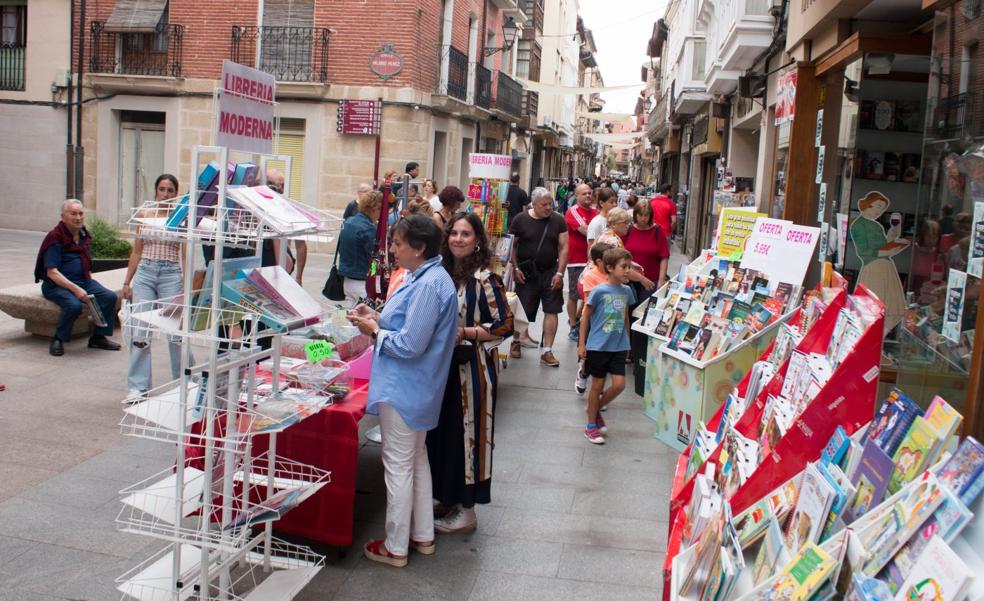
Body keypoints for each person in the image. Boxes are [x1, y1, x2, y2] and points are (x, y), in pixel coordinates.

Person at [348, 215, 458, 567]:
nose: (392, 249)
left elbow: (410, 344)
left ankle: (396, 545)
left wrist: (374, 330)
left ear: (419, 248)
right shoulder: (425, 278)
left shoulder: (429, 284)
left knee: (398, 465)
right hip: (416, 388)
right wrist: (377, 318)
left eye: (398, 244)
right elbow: (408, 325)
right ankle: (422, 534)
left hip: (407, 387)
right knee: (415, 461)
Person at [429, 212, 514, 534]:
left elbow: (504, 326)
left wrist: (465, 333)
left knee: (469, 437)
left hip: (473, 372)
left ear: (477, 240)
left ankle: (468, 512)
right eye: (454, 233)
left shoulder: (485, 279)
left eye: (466, 234)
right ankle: (448, 498)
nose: (458, 239)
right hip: (442, 370)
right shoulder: (441, 272)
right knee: (447, 437)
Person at [122, 174, 189, 396]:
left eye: (170, 190)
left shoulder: (181, 217)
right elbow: (137, 250)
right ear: (155, 190)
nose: (166, 194)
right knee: (140, 330)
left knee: (176, 331)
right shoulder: (145, 214)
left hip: (171, 273)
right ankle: (138, 387)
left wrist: (187, 286)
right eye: (162, 189)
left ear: (176, 193)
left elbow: (186, 254)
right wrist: (127, 281)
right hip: (146, 272)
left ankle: (185, 384)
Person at [35, 199, 121, 356]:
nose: (78, 217)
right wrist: (76, 289)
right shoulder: (55, 237)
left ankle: (98, 337)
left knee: (109, 297)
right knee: (74, 305)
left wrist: (84, 284)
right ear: (63, 216)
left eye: (80, 213)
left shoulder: (82, 234)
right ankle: (58, 339)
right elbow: (51, 272)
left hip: (83, 281)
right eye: (73, 213)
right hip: (55, 285)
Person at [577, 247, 635, 444]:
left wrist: (628, 340)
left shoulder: (627, 291)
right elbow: (585, 316)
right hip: (598, 346)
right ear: (610, 268)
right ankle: (591, 426)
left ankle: (593, 410)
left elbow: (625, 315)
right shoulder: (599, 291)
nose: (628, 271)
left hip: (618, 346)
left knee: (619, 385)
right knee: (598, 385)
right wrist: (582, 343)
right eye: (623, 267)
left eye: (629, 267)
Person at [508, 187, 569, 367]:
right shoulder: (520, 220)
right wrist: (515, 268)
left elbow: (564, 247)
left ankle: (547, 351)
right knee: (522, 310)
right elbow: (512, 245)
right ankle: (516, 342)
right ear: (533, 204)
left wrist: (560, 272)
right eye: (544, 204)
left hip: (550, 270)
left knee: (552, 309)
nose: (549, 207)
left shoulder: (558, 220)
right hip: (527, 273)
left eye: (550, 203)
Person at [573, 241, 613, 394]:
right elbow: (590, 300)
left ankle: (599, 392)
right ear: (599, 261)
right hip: (592, 322)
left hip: (610, 321)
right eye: (609, 259)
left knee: (605, 357)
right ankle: (583, 373)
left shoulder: (613, 273)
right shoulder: (590, 276)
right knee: (588, 357)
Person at [337, 190, 383, 307]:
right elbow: (374, 259)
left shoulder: (348, 222)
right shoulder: (368, 228)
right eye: (380, 210)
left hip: (347, 279)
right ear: (375, 208)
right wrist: (374, 274)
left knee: (351, 317)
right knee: (362, 319)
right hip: (362, 281)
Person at [564, 183, 598, 341]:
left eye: (590, 193)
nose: (588, 196)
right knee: (573, 295)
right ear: (576, 196)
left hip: (593, 261)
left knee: (588, 295)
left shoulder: (596, 212)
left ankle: (578, 320)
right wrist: (597, 231)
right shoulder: (573, 212)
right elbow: (586, 231)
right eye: (584, 193)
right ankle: (572, 325)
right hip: (576, 260)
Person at [622, 200, 670, 300]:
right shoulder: (629, 230)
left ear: (650, 216)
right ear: (635, 215)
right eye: (640, 215)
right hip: (628, 280)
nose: (643, 219)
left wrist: (661, 280)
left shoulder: (657, 231)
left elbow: (664, 257)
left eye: (646, 215)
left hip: (651, 281)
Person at [264, 169, 306, 283]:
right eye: (278, 185)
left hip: (280, 265)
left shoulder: (288, 209)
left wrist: (299, 277)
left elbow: (301, 244)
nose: (281, 190)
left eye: (283, 185)